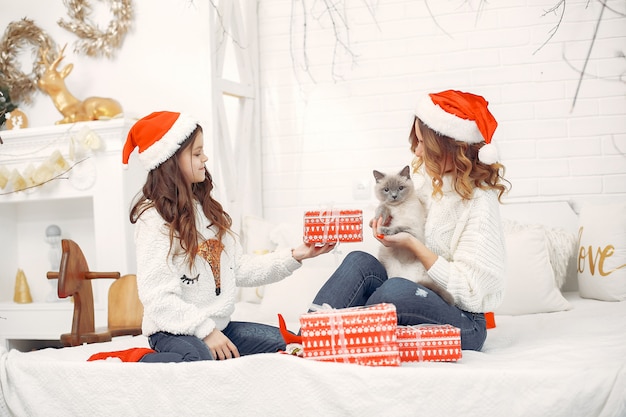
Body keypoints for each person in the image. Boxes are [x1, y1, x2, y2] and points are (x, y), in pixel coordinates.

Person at [123, 111, 334, 363]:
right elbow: (158, 298)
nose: (205, 158)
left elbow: (240, 269)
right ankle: (137, 360)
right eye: (197, 153)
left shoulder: (206, 210)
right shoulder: (154, 219)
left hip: (217, 327)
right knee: (199, 360)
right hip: (173, 330)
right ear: (171, 159)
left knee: (291, 347)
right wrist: (206, 331)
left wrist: (297, 254)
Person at [310, 90, 510, 351]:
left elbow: (473, 292)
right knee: (358, 260)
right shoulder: (429, 184)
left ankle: (336, 339)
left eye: (421, 143)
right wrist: (385, 223)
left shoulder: (480, 203)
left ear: (448, 145)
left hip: (463, 319)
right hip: (414, 284)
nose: (416, 152)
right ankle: (307, 339)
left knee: (396, 290)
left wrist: (414, 246)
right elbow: (400, 208)